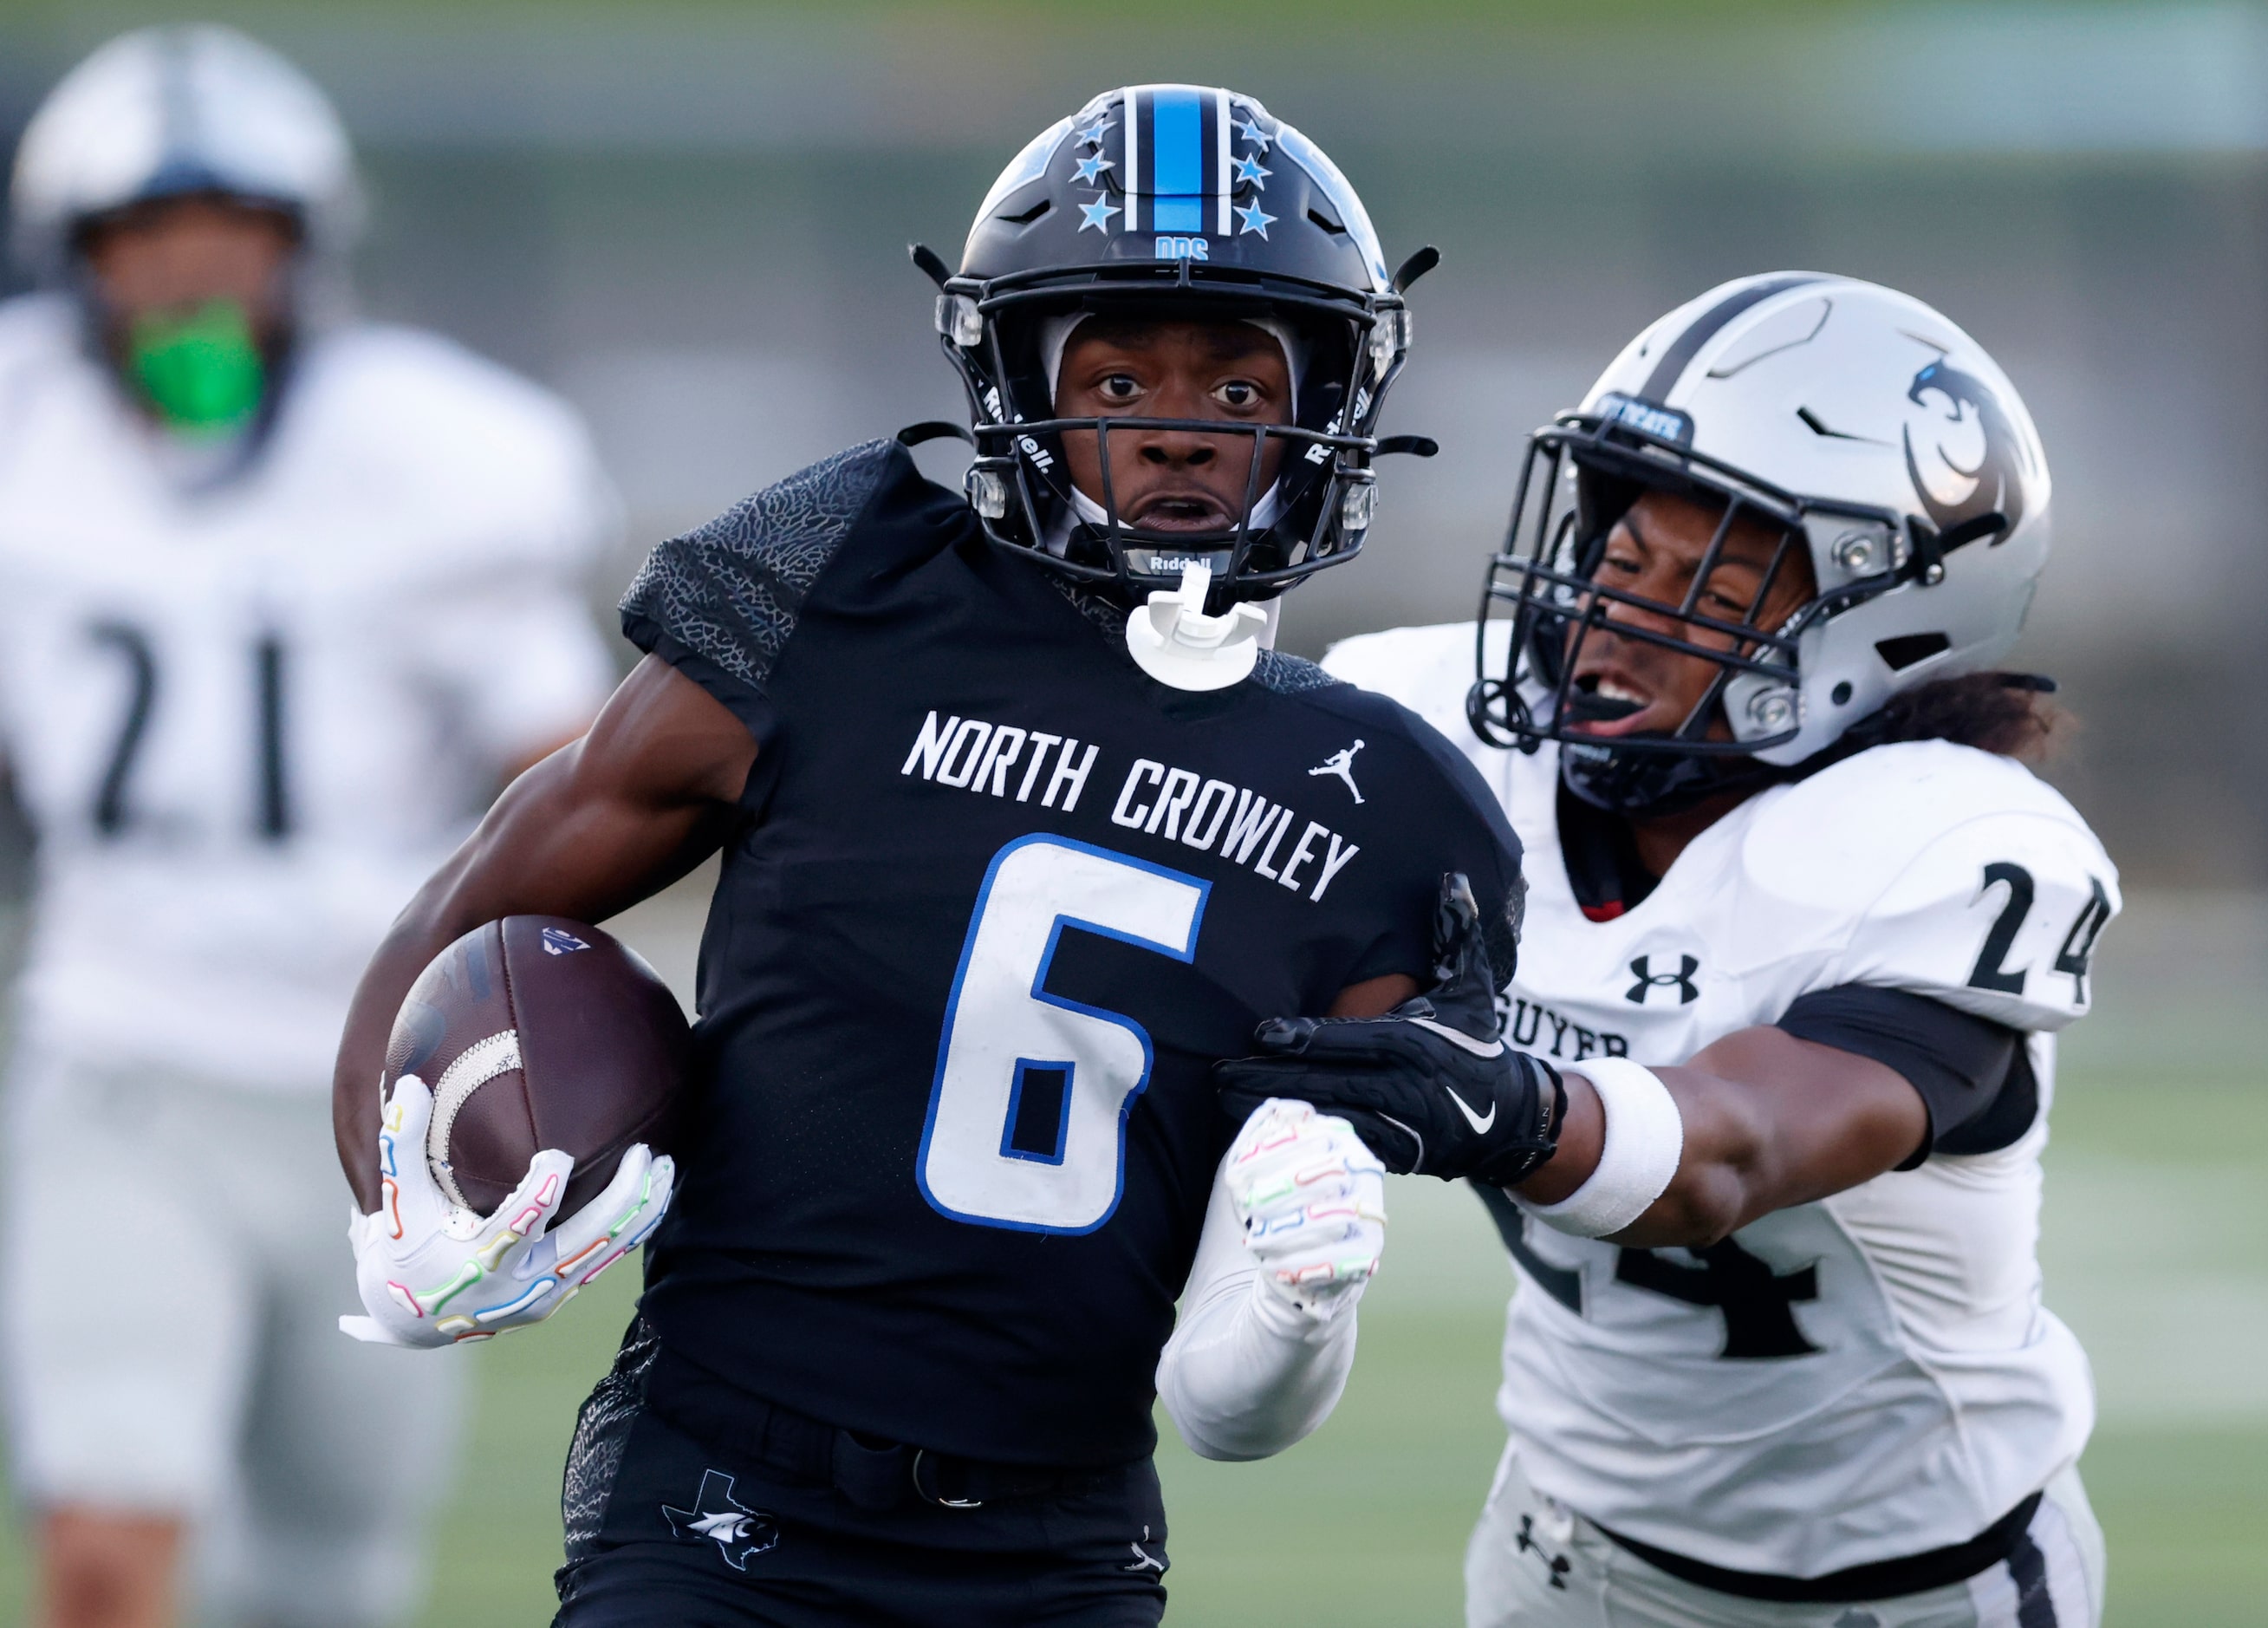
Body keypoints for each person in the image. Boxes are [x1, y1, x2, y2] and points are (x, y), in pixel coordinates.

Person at [329, 84, 1526, 1625]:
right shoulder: (846, 584)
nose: (1174, 422)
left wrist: (1296, 1317)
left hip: (1059, 1534)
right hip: (715, 1486)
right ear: (1011, 377)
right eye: (1113, 375)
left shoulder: (1389, 805)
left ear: (1331, 405)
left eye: (1238, 386)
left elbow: (1243, 1400)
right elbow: (478, 898)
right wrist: (390, 1201)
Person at [1218, 273, 2117, 1627]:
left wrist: (1511, 1107)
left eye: (1699, 579)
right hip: (1559, 1551)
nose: (1605, 612)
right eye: (1613, 555)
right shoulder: (1430, 743)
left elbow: (1728, 1155)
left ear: (1882, 617)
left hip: (1913, 1587)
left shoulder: (1940, 843)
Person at [0, 25, 620, 1628]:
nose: (188, 282)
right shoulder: (24, 430)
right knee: (107, 1516)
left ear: (302, 251)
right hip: (122, 1062)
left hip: (375, 1093)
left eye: (228, 239)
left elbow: (561, 768)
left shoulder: (432, 454)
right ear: (81, 262)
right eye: (144, 243)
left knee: (324, 1579)